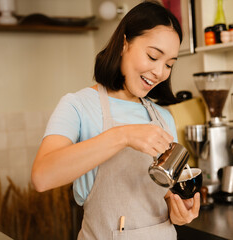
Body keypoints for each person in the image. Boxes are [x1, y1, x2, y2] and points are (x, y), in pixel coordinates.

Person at [31, 1, 200, 239]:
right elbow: (42, 177)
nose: (160, 72)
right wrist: (123, 135)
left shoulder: (163, 118)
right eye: (153, 56)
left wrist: (178, 212)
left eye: (169, 64)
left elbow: (162, 196)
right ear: (124, 44)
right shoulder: (77, 106)